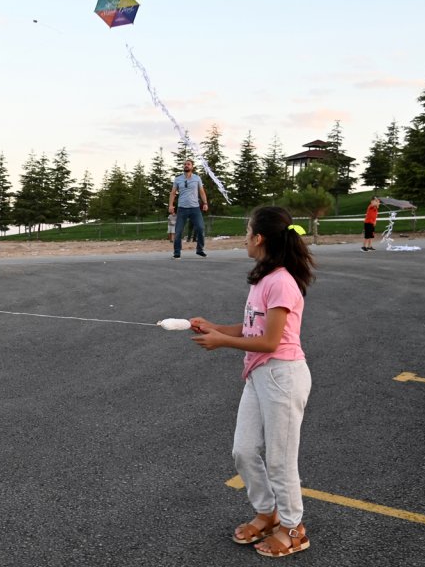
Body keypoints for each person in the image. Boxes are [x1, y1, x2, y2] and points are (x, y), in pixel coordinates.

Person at [189, 206, 316, 559]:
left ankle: (294, 529)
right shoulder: (264, 277)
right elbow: (252, 330)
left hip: (283, 376)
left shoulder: (282, 282)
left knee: (280, 460)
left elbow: (271, 342)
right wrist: (213, 327)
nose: (244, 237)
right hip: (259, 374)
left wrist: (222, 342)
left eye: (247, 232)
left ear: (259, 239)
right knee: (243, 450)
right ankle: (267, 512)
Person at [168, 158, 209, 258]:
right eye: (185, 164)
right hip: (182, 208)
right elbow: (173, 193)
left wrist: (205, 203)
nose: (186, 165)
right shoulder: (178, 179)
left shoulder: (197, 178)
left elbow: (201, 191)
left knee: (200, 228)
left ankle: (200, 249)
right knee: (178, 231)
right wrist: (171, 205)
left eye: (188, 164)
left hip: (195, 208)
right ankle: (177, 252)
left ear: (192, 167)